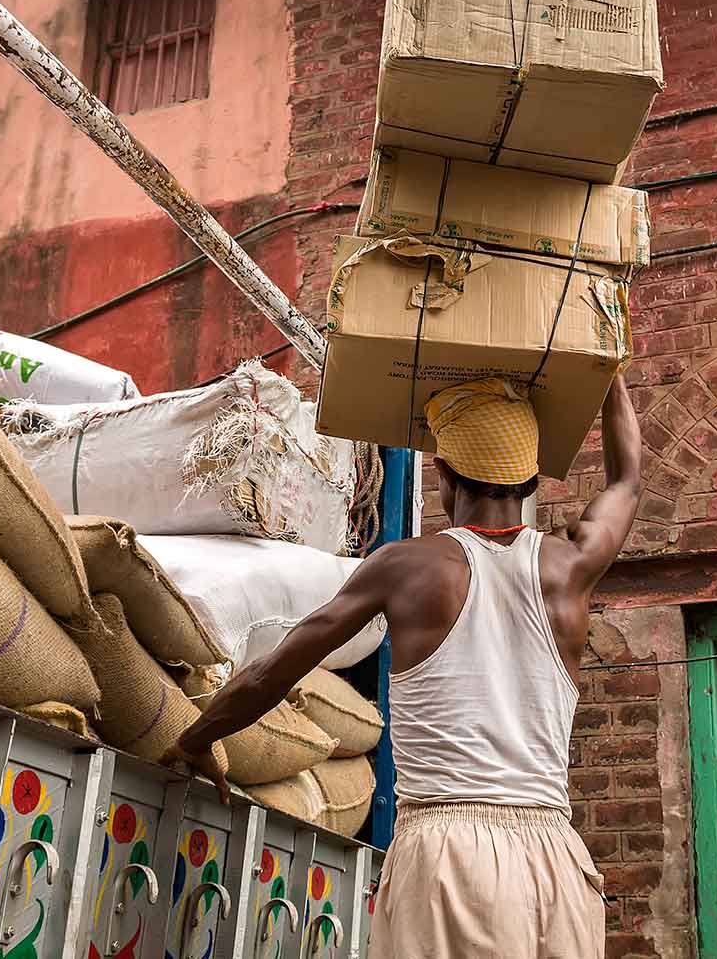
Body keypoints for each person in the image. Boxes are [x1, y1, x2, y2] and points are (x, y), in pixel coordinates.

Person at [162, 373, 641, 958]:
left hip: (449, 857)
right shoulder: (571, 567)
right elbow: (628, 481)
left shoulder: (407, 567)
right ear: (533, 479)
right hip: (555, 859)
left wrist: (194, 739)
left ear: (443, 477)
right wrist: (609, 369)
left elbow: (276, 668)